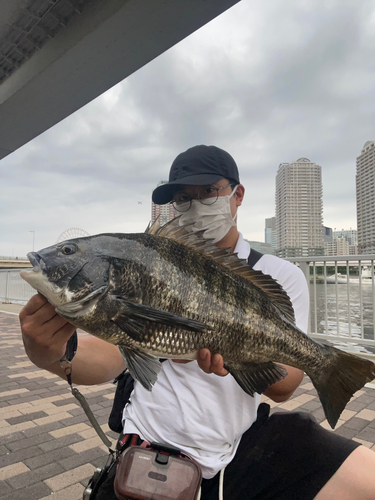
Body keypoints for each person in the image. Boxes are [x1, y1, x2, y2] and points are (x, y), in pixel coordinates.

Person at [20, 145, 375, 500]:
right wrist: (48, 353)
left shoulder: (280, 275)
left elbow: (283, 387)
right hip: (145, 448)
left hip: (233, 452)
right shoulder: (149, 265)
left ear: (238, 196)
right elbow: (110, 356)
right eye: (183, 198)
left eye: (208, 192)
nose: (195, 204)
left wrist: (239, 355)